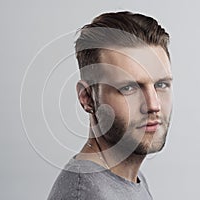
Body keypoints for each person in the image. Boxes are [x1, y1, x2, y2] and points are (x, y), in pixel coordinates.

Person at [48, 11, 173, 200]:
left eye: (161, 85)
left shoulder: (132, 179)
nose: (153, 105)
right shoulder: (87, 194)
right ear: (87, 98)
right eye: (129, 87)